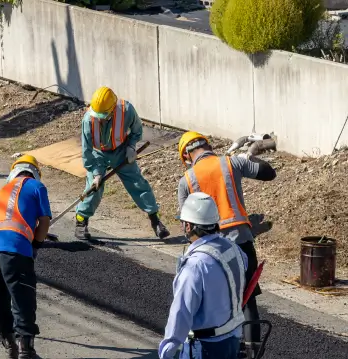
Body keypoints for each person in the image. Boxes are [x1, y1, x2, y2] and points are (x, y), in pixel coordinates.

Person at [176, 131, 277, 358]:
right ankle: (252, 351)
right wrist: (250, 157)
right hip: (241, 242)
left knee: (216, 300)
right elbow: (270, 173)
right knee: (247, 299)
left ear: (186, 155)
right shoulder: (232, 163)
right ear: (207, 146)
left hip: (210, 251)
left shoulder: (187, 180)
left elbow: (187, 227)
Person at [0, 155, 51, 359]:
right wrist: (36, 244)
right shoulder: (37, 186)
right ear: (35, 172)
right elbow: (44, 222)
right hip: (14, 246)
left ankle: (10, 344)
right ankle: (26, 349)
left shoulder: (0, 191)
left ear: (13, 172)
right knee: (22, 296)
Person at [160, 192, 248, 359]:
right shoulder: (233, 249)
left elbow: (181, 314)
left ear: (188, 226)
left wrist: (167, 352)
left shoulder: (194, 266)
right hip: (233, 338)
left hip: (205, 347)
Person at [75, 86, 169, 241]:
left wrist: (132, 147)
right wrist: (96, 173)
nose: (100, 118)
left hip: (121, 151)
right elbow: (87, 151)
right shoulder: (88, 120)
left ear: (112, 109)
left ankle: (155, 220)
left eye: (103, 115)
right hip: (98, 154)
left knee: (138, 183)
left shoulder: (126, 110)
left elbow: (137, 130)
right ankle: (81, 221)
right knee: (93, 187)